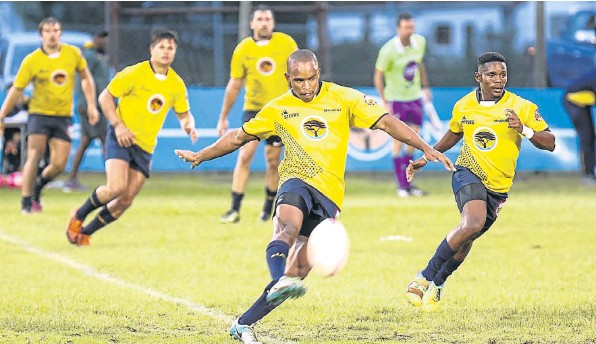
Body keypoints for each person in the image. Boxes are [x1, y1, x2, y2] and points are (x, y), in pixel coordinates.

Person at [175, 49, 455, 343]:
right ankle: (278, 278)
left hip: (329, 195)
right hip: (296, 183)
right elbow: (237, 137)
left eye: (311, 78)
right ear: (288, 78)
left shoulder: (343, 98)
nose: (306, 86)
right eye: (299, 80)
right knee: (288, 227)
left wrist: (426, 147)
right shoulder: (278, 108)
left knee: (299, 271)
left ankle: (243, 323)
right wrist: (201, 155)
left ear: (318, 73)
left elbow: (386, 121)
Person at [404, 52, 556, 312]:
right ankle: (424, 277)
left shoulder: (522, 107)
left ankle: (438, 285)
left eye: (503, 74)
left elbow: (550, 142)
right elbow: (454, 133)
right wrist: (427, 157)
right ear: (479, 77)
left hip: (498, 187)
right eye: (492, 75)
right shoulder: (464, 105)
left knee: (467, 238)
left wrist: (524, 129)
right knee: (472, 223)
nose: (499, 80)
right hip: (468, 171)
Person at [65, 30, 198, 246]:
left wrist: (188, 126)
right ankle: (79, 215)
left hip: (145, 146)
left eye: (170, 48)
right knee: (115, 187)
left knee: (125, 200)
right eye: (161, 47)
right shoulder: (134, 73)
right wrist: (118, 125)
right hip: (121, 138)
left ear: (175, 52)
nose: (166, 51)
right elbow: (105, 96)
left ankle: (85, 233)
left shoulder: (176, 84)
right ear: (152, 49)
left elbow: (183, 113)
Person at [0, 17, 99, 214]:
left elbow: (86, 77)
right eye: (47, 31)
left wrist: (91, 105)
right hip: (39, 114)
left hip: (63, 115)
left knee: (59, 165)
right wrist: (1, 115)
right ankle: (26, 202)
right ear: (41, 35)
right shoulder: (32, 60)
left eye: (56, 30)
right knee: (34, 155)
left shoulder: (73, 54)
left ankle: (38, 185)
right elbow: (17, 89)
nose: (52, 34)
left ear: (60, 34)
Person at [217, 4, 298, 224]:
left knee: (273, 162)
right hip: (254, 110)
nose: (264, 23)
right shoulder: (243, 49)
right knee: (244, 156)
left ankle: (267, 209)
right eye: (260, 19)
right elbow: (234, 84)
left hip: (281, 112)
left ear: (273, 23)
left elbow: (299, 74)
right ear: (252, 23)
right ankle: (234, 209)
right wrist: (223, 116)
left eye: (267, 19)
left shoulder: (286, 43)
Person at [374, 12, 432, 198]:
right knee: (398, 142)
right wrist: (384, 100)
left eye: (412, 27)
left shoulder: (420, 42)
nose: (410, 31)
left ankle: (409, 184)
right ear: (398, 29)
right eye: (406, 27)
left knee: (413, 142)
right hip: (396, 99)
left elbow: (419, 65)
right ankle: (401, 186)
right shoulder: (388, 50)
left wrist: (425, 87)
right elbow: (378, 75)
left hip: (414, 98)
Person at [63, 30, 111, 192]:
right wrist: (86, 103)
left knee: (86, 141)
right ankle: (114, 178)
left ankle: (71, 179)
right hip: (92, 106)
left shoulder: (97, 55)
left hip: (95, 105)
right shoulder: (89, 55)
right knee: (105, 139)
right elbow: (82, 79)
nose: (105, 42)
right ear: (95, 38)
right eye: (102, 39)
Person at [562, 68, 596, 185]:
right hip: (573, 101)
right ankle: (588, 174)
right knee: (587, 137)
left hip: (583, 102)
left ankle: (590, 172)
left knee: (590, 136)